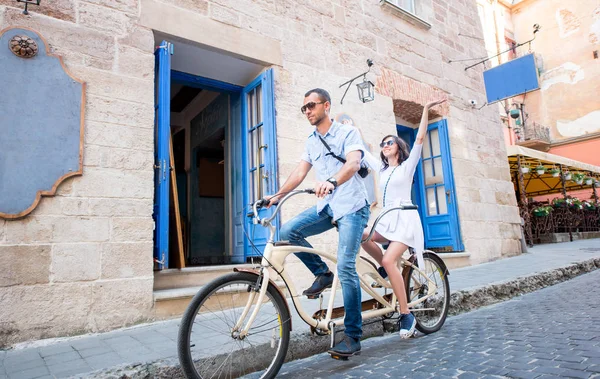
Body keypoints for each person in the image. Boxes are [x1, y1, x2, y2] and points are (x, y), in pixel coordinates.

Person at [265, 88, 370, 358]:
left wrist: (332, 181)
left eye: (311, 106)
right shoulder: (311, 141)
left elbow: (354, 162)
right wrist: (275, 197)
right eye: (304, 108)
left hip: (351, 207)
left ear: (326, 106)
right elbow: (300, 173)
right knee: (288, 231)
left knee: (346, 266)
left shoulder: (347, 133)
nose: (307, 111)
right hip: (327, 207)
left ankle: (353, 336)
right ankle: (322, 274)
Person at [361, 99, 446, 339]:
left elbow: (420, 139)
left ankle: (406, 313)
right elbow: (362, 154)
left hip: (405, 221)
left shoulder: (407, 167)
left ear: (398, 146)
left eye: (390, 142)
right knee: (362, 235)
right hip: (387, 220)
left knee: (389, 259)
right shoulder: (383, 168)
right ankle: (387, 270)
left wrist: (426, 111)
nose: (385, 145)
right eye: (383, 143)